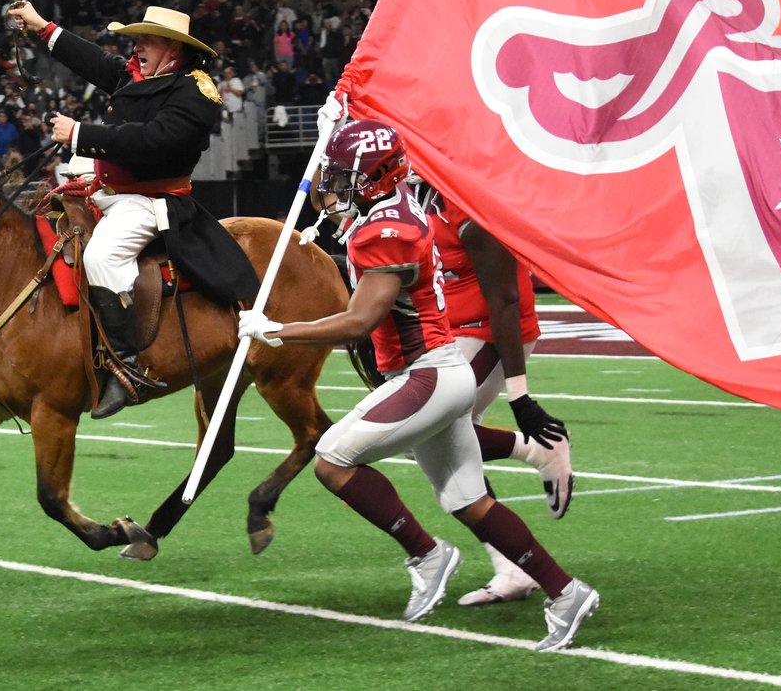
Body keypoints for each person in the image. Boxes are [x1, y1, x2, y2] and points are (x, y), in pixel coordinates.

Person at [238, 118, 599, 653]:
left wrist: (277, 330)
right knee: (469, 501)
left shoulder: (390, 230)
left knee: (333, 459)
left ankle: (427, 554)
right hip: (432, 371)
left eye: (346, 176)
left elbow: (359, 321)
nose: (335, 187)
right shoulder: (393, 213)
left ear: (376, 176)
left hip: (427, 374)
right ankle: (566, 594)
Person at [9, 0, 260, 419]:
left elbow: (155, 140)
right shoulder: (138, 74)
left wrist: (80, 133)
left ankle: (124, 368)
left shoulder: (195, 91)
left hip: (151, 200)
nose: (136, 47)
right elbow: (92, 60)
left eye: (145, 40)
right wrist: (40, 26)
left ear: (172, 49)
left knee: (101, 256)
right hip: (110, 189)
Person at [420, 185, 574, 606]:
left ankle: (540, 448)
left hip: (492, 331)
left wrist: (519, 397)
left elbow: (505, 299)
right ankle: (511, 568)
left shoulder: (470, 204)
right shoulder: (420, 191)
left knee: (428, 430)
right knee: (439, 453)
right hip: (452, 332)